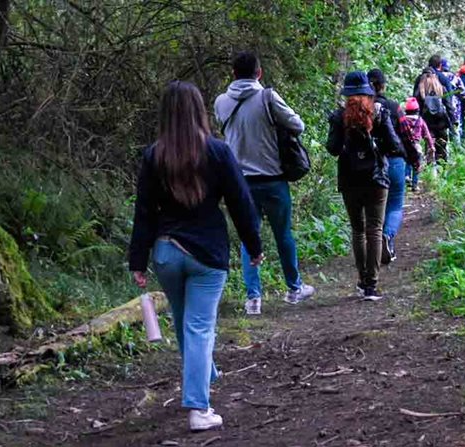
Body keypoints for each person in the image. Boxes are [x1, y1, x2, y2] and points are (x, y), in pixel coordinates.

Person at [129, 81, 264, 431]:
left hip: (166, 252)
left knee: (184, 322)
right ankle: (199, 408)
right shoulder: (217, 152)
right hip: (207, 254)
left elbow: (144, 212)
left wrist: (138, 260)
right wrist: (254, 245)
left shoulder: (154, 156)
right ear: (198, 110)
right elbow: (241, 203)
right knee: (200, 327)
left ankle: (203, 373)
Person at [214, 52, 314, 315]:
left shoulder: (221, 102)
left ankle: (253, 298)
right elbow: (298, 125)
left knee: (249, 237)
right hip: (272, 179)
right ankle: (294, 288)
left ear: (233, 74)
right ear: (259, 73)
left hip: (240, 183)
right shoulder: (267, 97)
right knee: (283, 234)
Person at [326, 71, 404, 300]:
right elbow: (395, 144)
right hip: (376, 178)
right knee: (375, 229)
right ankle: (372, 285)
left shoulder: (339, 117)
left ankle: (361, 280)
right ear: (368, 93)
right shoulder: (379, 113)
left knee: (358, 230)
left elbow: (332, 148)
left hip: (349, 179)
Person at [367, 68, 420, 264]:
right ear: (383, 86)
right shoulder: (394, 107)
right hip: (395, 162)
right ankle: (387, 236)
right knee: (395, 204)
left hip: (370, 164)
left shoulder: (360, 109)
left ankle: (373, 246)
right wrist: (414, 160)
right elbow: (407, 137)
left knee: (374, 207)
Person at [414, 68, 453, 163]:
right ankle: (443, 168)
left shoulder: (420, 91)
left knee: (430, 148)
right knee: (442, 148)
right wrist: (452, 122)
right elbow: (449, 106)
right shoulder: (441, 89)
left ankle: (430, 168)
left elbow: (416, 109)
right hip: (441, 123)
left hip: (427, 124)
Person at [399, 97, 434, 193]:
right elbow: (427, 135)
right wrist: (431, 146)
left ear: (406, 110)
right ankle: (415, 185)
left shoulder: (403, 120)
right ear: (417, 110)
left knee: (407, 162)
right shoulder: (420, 120)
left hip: (406, 145)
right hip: (417, 146)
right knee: (417, 165)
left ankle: (407, 177)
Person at [440, 58, 465, 142]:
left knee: (442, 130)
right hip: (454, 107)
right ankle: (456, 147)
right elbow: (464, 93)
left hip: (440, 107)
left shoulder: (436, 76)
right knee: (455, 129)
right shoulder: (455, 77)